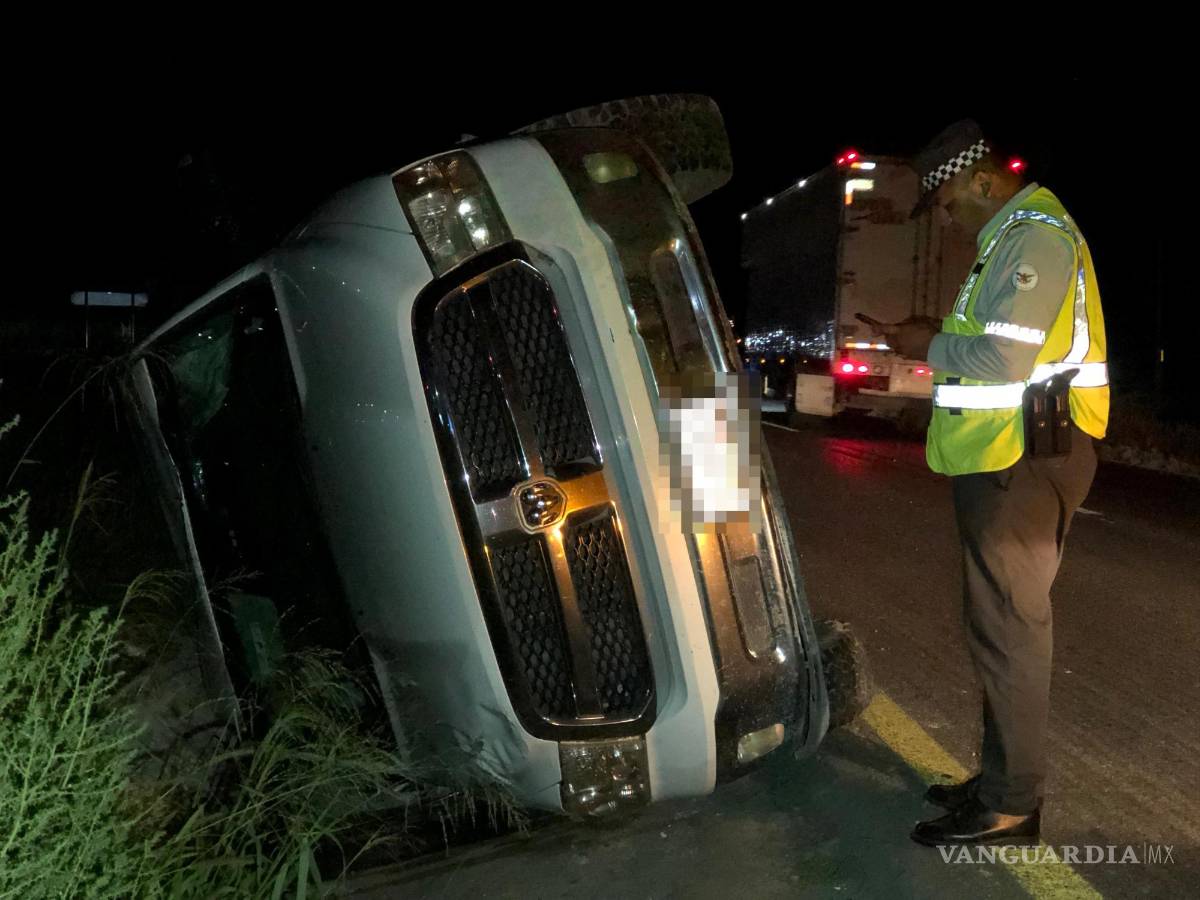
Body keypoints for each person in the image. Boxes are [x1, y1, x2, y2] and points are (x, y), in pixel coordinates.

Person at [882, 120, 1109, 846]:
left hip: (1024, 456)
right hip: (1008, 453)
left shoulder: (1035, 238)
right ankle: (1000, 780)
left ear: (982, 179)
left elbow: (1005, 362)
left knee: (1010, 631)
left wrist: (927, 344)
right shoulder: (1012, 237)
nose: (947, 217)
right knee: (998, 629)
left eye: (949, 200)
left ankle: (1011, 805)